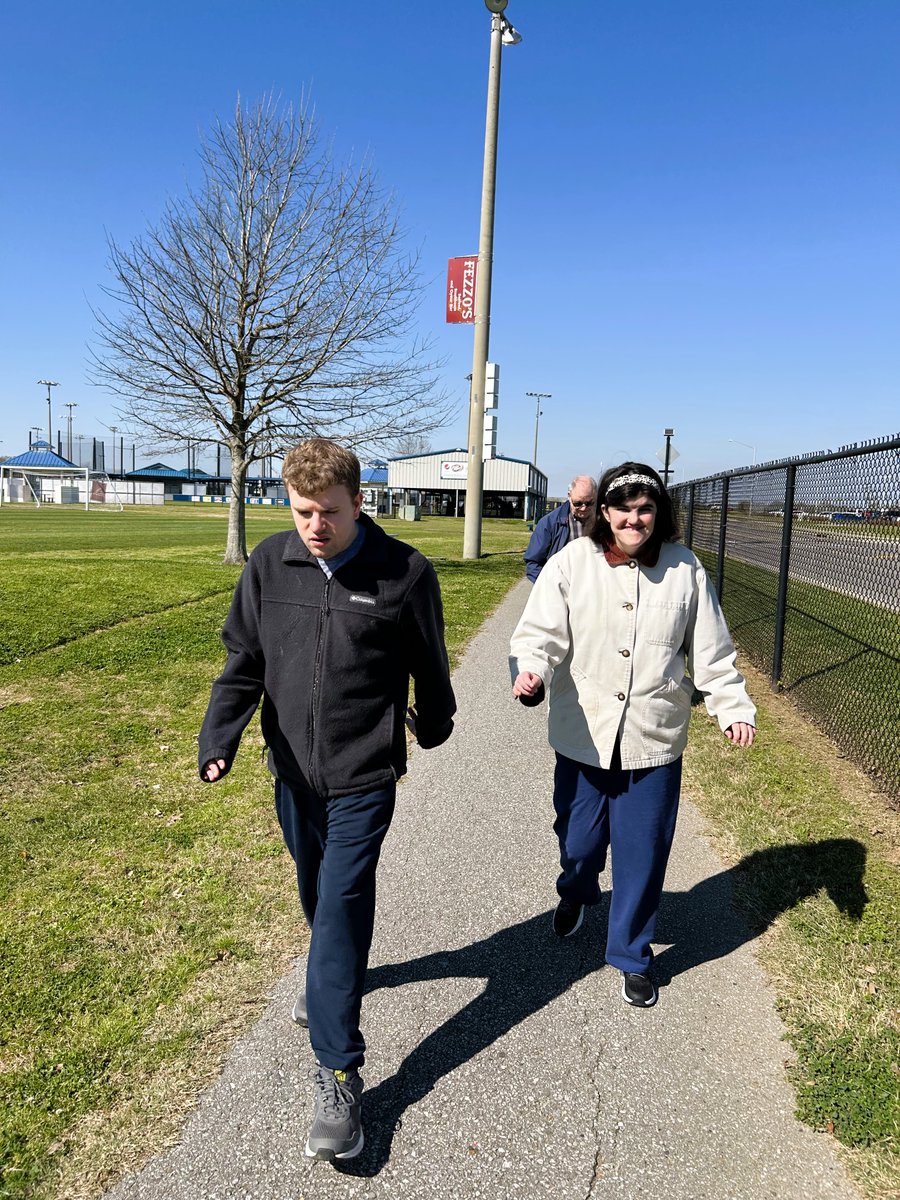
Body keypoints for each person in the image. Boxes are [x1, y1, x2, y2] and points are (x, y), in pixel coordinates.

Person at [198, 438, 456, 1162]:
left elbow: (429, 663)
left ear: (358, 503)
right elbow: (244, 660)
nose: (315, 526)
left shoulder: (404, 573)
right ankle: (329, 971)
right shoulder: (268, 564)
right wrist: (218, 736)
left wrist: (434, 723)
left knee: (342, 903)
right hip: (291, 773)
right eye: (303, 510)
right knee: (317, 895)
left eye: (330, 513)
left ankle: (337, 1074)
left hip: (364, 776)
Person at [509, 461, 756, 1008]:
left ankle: (631, 954)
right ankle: (576, 890)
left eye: (645, 509)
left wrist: (732, 706)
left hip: (654, 739)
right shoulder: (573, 563)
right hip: (583, 736)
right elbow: (539, 634)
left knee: (642, 854)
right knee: (578, 845)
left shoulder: (685, 569)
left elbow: (712, 655)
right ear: (605, 513)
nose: (634, 518)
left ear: (658, 514)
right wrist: (531, 672)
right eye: (623, 508)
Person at [523, 475, 598, 582]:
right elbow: (533, 563)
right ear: (569, 496)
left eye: (589, 503)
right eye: (578, 503)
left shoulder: (605, 521)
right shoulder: (549, 523)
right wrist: (550, 586)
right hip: (562, 588)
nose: (583, 508)